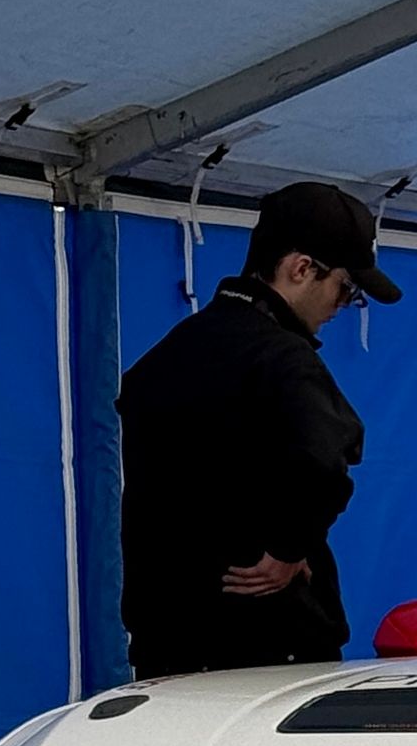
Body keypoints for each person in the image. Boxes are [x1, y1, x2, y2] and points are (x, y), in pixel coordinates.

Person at [116, 181, 402, 678]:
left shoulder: (165, 356)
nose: (342, 306)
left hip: (165, 642)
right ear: (301, 268)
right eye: (345, 288)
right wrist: (290, 548)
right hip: (264, 643)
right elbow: (326, 457)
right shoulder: (283, 357)